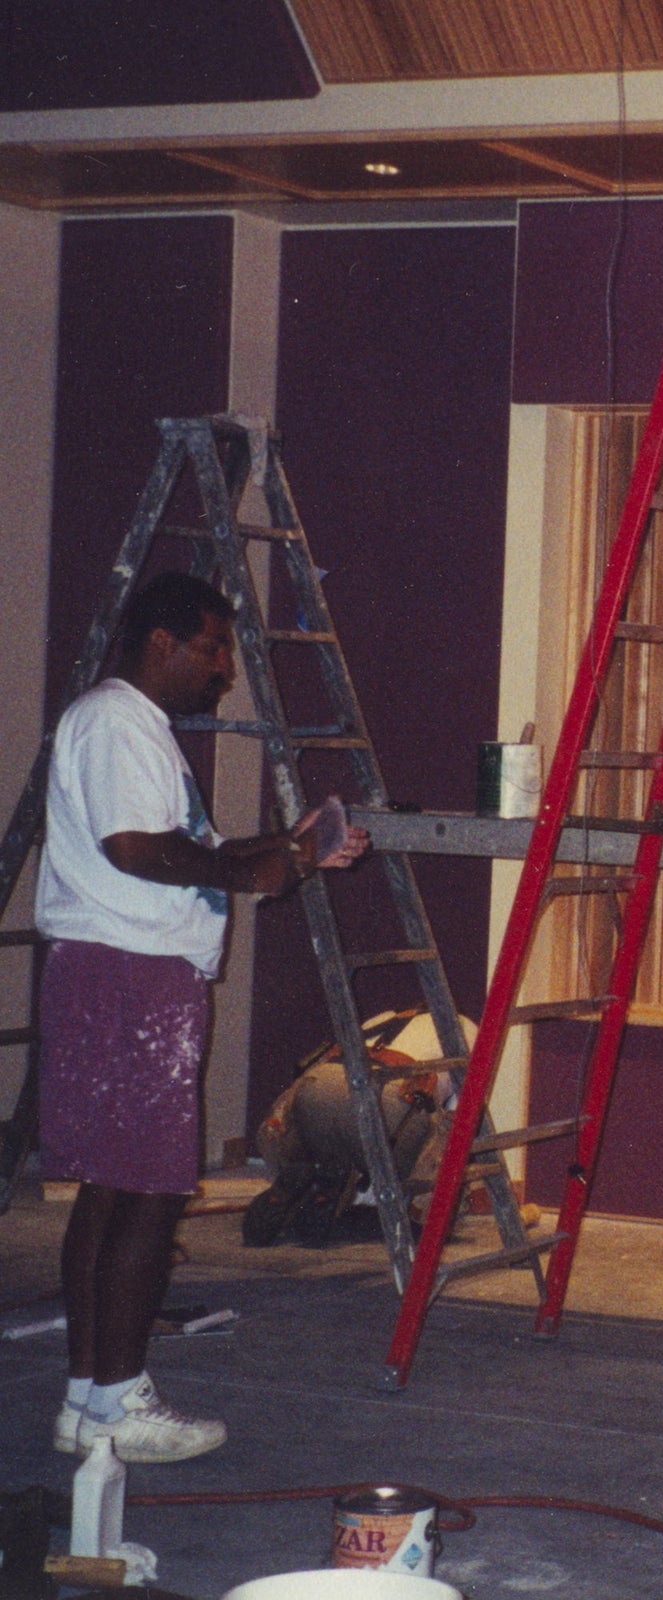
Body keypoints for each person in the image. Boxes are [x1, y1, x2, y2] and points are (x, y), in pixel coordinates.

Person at [35, 571, 367, 1463]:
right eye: (214, 646)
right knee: (147, 1193)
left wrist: (296, 846)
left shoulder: (141, 732)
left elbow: (203, 847)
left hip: (129, 976)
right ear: (162, 644)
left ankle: (86, 1400)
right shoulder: (112, 721)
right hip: (127, 979)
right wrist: (244, 874)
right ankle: (118, 1400)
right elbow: (135, 848)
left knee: (115, 1192)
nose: (225, 668)